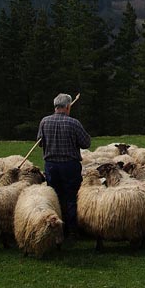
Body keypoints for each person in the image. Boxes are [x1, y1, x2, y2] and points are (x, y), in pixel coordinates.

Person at [37, 93, 90, 240]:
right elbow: (86, 143)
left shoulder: (44, 121)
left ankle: (57, 229)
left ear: (55, 106)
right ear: (68, 107)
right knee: (72, 197)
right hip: (69, 165)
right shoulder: (73, 123)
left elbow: (40, 142)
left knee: (56, 197)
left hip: (51, 166)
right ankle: (72, 230)